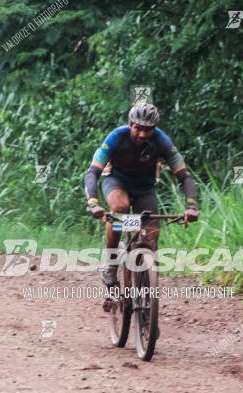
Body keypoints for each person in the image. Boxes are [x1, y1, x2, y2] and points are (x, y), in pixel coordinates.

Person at [83, 103, 199, 286]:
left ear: (155, 128)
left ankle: (146, 285)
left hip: (145, 189)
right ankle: (111, 266)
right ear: (130, 124)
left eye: (148, 130)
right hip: (116, 182)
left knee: (151, 235)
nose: (143, 134)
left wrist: (192, 206)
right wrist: (93, 202)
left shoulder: (162, 141)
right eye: (138, 128)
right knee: (119, 210)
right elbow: (92, 172)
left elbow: (184, 176)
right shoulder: (116, 137)